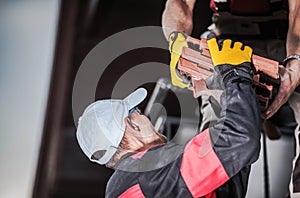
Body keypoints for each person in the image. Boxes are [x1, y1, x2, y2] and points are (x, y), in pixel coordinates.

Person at [76, 36, 262, 197]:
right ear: (133, 125)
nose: (145, 117)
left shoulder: (127, 186)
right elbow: (240, 140)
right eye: (137, 112)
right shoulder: (148, 171)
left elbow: (222, 177)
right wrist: (235, 74)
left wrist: (233, 101)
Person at [162, 0, 300, 196]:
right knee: (221, 129)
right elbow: (180, 3)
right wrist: (177, 39)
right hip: (228, 41)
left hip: (285, 39)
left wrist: (296, 62)